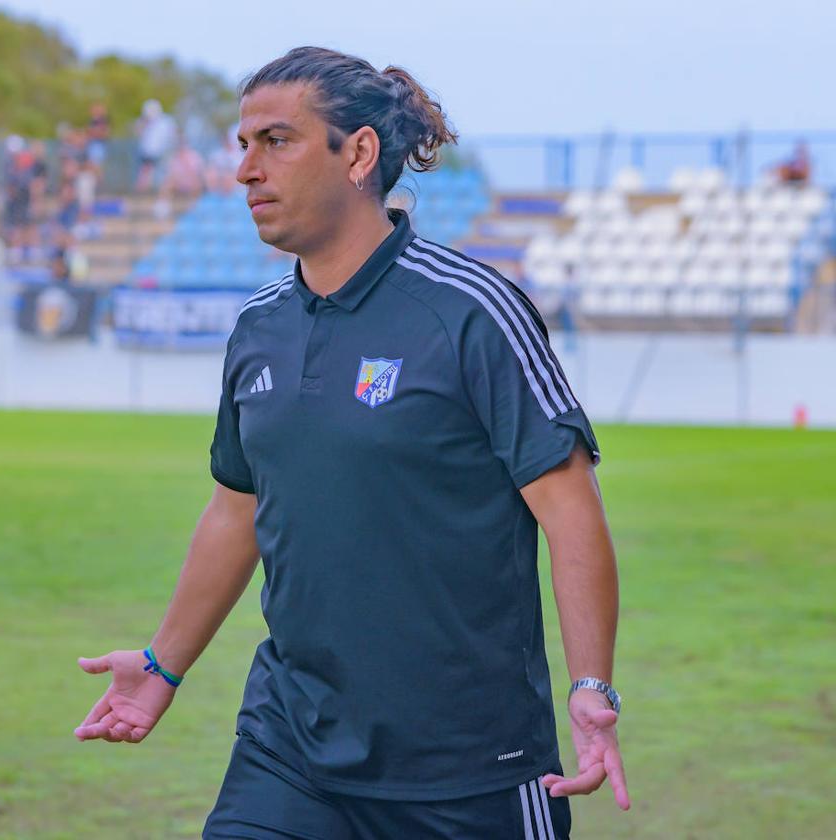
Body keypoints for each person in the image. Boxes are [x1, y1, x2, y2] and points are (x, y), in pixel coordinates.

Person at [74, 46, 628, 838]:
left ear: (359, 154)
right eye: (242, 145)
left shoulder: (471, 313)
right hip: (290, 750)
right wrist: (163, 665)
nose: (245, 171)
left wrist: (592, 687)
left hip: (470, 772)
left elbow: (571, 511)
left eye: (277, 141)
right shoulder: (259, 328)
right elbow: (238, 510)